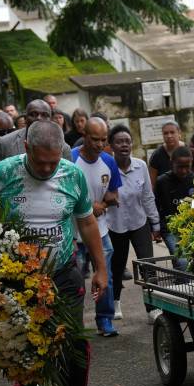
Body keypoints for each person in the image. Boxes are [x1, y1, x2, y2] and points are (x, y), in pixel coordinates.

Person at [0, 120, 107, 386]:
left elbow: (87, 222)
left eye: (53, 161)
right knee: (21, 340)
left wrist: (101, 269)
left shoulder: (71, 174)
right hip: (17, 276)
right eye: (40, 161)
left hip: (62, 270)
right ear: (26, 148)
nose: (48, 168)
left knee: (74, 339)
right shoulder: (2, 173)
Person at [70, 117, 121, 336]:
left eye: (103, 140)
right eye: (95, 140)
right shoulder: (70, 159)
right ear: (84, 136)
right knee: (75, 281)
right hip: (74, 232)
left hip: (100, 231)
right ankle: (74, 324)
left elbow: (114, 193)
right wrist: (88, 206)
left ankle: (105, 320)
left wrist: (104, 203)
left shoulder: (109, 161)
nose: (99, 145)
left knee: (105, 276)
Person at [105, 125, 160, 322]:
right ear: (111, 145)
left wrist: (155, 223)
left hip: (139, 222)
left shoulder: (141, 166)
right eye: (119, 142)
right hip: (115, 225)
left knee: (148, 264)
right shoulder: (106, 168)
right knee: (118, 266)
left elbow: (147, 196)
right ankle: (116, 302)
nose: (124, 145)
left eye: (127, 141)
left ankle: (152, 307)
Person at [0, 100, 70, 165]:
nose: (38, 118)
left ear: (51, 119)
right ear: (25, 118)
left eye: (44, 115)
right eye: (33, 114)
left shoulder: (63, 148)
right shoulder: (4, 143)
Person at [154, 146, 194, 274]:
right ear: (172, 163)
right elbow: (156, 205)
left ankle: (181, 283)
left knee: (189, 261)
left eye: (187, 166)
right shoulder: (162, 182)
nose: (183, 171)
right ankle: (184, 290)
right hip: (170, 229)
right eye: (180, 167)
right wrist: (157, 228)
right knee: (182, 261)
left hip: (191, 228)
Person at [148, 121, 185, 188]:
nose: (169, 136)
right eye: (165, 133)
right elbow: (152, 183)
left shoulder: (189, 151)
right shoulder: (157, 155)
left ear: (179, 133)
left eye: (172, 132)